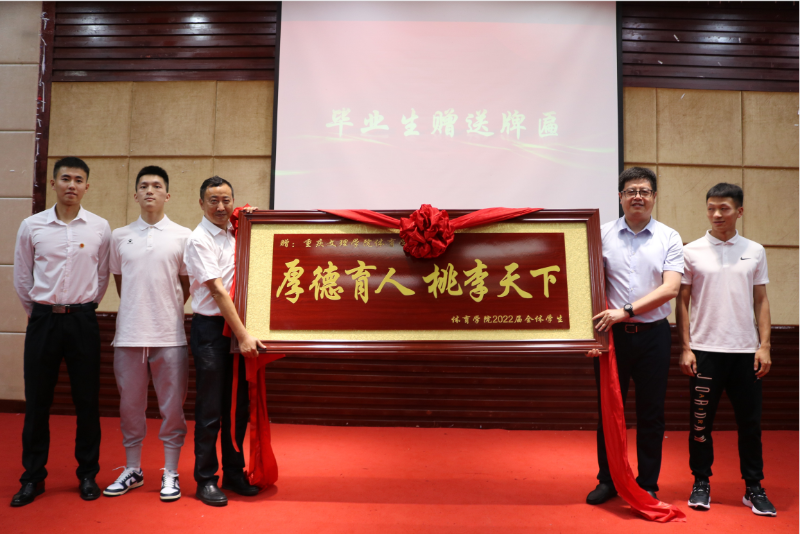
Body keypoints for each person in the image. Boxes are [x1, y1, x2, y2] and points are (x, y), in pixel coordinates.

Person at [11, 157, 111, 506]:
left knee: (87, 401)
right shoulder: (32, 226)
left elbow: (102, 277)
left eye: (78, 180)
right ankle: (32, 478)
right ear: (53, 183)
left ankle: (88, 474)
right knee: (37, 401)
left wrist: (83, 307)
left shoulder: (99, 227)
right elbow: (22, 277)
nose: (72, 185)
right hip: (44, 320)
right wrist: (39, 313)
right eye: (65, 178)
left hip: (83, 321)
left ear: (87, 187)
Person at [676, 183, 776, 516]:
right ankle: (701, 482)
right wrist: (685, 347)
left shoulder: (755, 250)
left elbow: (761, 300)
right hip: (704, 351)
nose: (716, 214)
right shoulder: (691, 251)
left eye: (724, 208)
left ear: (739, 211)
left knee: (750, 424)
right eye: (711, 208)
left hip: (745, 352)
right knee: (700, 425)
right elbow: (682, 302)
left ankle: (754, 487)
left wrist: (764, 346)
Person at [586, 166, 683, 504]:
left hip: (654, 336)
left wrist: (625, 310)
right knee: (609, 411)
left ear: (654, 197)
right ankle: (608, 480)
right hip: (610, 338)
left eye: (644, 191)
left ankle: (647, 482)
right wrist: (588, 337)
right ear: (620, 197)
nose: (637, 196)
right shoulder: (600, 235)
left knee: (651, 412)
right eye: (631, 191)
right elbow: (587, 286)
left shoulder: (669, 237)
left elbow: (670, 289)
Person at [102, 166, 192, 502]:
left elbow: (185, 285)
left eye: (156, 186)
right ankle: (133, 470)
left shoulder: (183, 236)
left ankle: (170, 472)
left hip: (170, 336)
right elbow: (121, 283)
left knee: (173, 408)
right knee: (130, 406)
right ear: (135, 194)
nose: (150, 191)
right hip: (129, 335)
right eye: (143, 186)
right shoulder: (119, 235)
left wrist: (164, 307)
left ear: (167, 195)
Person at [183, 176, 263, 507]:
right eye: (213, 200)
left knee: (237, 407)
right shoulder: (199, 239)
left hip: (239, 329)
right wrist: (243, 335)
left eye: (226, 200)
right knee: (211, 408)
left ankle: (233, 471)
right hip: (212, 331)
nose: (220, 206)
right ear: (201, 203)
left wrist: (256, 222)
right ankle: (205, 479)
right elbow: (217, 290)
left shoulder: (236, 232)